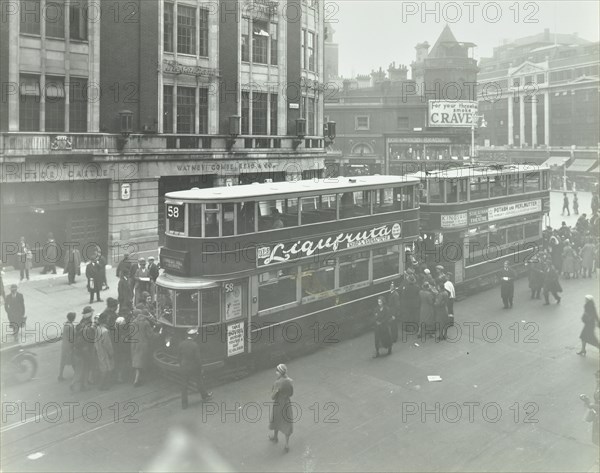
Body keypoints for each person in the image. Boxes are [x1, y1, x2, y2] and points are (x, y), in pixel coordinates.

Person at [178, 328, 213, 409]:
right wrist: (200, 368)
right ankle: (205, 397)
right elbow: (198, 359)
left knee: (184, 385)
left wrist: (181, 365)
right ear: (193, 336)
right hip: (194, 367)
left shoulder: (181, 344)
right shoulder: (195, 345)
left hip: (184, 367)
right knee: (199, 381)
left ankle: (184, 404)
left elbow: (179, 357)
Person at [268, 364, 294, 453]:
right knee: (287, 422)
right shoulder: (289, 381)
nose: (276, 373)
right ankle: (287, 445)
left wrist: (276, 392)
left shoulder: (277, 383)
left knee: (276, 420)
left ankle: (275, 437)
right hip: (286, 403)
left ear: (280, 372)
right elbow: (291, 394)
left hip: (278, 404)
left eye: (277, 371)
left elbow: (273, 397)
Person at [71, 306, 96, 392]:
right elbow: (90, 339)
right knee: (86, 367)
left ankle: (76, 383)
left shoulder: (81, 323)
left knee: (81, 367)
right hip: (86, 349)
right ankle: (83, 384)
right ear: (90, 314)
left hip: (78, 348)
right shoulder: (89, 325)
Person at [130, 309, 157, 386]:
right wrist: (158, 335)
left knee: (136, 361)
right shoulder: (146, 323)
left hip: (134, 344)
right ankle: (137, 380)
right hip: (143, 344)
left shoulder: (133, 322)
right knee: (141, 362)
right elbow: (150, 335)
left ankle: (137, 379)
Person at [94, 313, 114, 390]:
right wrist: (111, 353)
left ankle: (103, 385)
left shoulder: (98, 328)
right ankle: (103, 385)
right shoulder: (105, 331)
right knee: (107, 369)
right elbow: (107, 344)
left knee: (103, 368)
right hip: (105, 352)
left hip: (99, 350)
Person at [58, 312, 76, 381]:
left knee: (63, 361)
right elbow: (71, 338)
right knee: (73, 360)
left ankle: (60, 375)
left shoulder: (66, 324)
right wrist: (73, 345)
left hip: (64, 345)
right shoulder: (70, 326)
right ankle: (76, 373)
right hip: (69, 346)